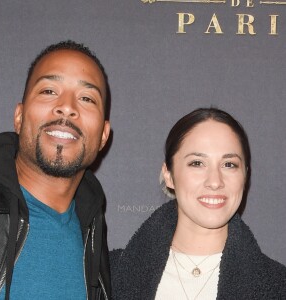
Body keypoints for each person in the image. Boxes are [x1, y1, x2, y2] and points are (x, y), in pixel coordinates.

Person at [110, 107, 286, 300]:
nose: (215, 181)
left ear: (245, 175)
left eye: (229, 164)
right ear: (169, 175)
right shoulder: (107, 276)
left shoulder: (278, 285)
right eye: (197, 163)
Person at [0, 40, 111, 300]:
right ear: (19, 117)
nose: (67, 107)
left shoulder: (93, 240)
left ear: (103, 136)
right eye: (49, 91)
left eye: (86, 98)